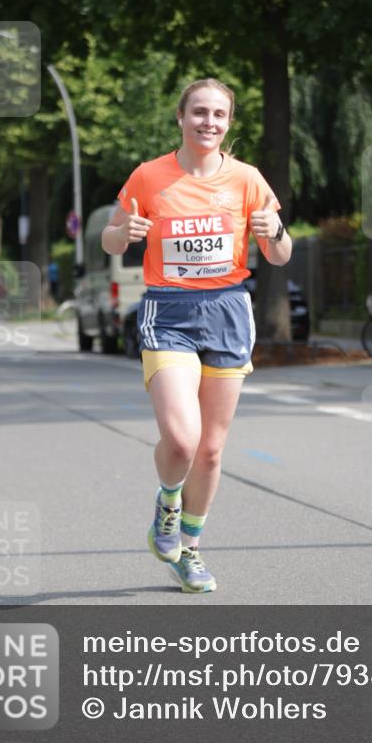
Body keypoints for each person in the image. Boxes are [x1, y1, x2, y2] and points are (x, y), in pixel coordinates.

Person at [102, 78, 292, 592]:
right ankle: (167, 503)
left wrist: (273, 232)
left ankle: (189, 550)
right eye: (199, 112)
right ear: (181, 118)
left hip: (228, 311)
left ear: (228, 123)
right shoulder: (149, 176)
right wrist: (123, 234)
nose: (209, 122)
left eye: (219, 115)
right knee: (183, 439)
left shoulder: (248, 179)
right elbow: (110, 239)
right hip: (168, 312)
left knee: (210, 450)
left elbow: (281, 253)